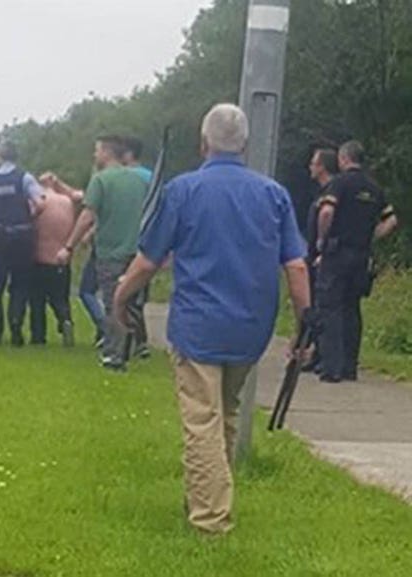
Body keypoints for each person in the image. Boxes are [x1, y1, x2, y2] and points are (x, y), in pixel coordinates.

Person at [113, 103, 310, 534]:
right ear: (244, 145)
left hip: (198, 324)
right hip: (251, 328)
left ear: (204, 143)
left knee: (201, 418)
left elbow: (148, 260)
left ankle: (210, 519)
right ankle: (208, 496)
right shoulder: (273, 194)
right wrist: (302, 326)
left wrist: (120, 296)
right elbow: (295, 266)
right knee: (227, 410)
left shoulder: (183, 191)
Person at [56, 135, 148, 370]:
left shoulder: (101, 181)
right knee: (132, 303)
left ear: (108, 153)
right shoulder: (140, 180)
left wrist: (69, 246)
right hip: (139, 252)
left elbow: (87, 216)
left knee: (113, 302)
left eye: (97, 151)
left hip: (111, 252)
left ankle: (114, 355)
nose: (94, 155)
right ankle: (132, 347)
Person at [315, 140, 397, 382]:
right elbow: (391, 221)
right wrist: (370, 236)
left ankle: (332, 367)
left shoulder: (340, 183)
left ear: (343, 158)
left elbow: (327, 210)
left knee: (331, 306)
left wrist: (322, 239)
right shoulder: (374, 188)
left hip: (337, 252)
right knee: (352, 308)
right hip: (361, 255)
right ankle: (350, 367)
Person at [0, 141, 44, 347]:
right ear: (17, 157)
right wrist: (30, 217)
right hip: (22, 236)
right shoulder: (25, 178)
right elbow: (40, 202)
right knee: (20, 285)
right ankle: (15, 324)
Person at [29, 172, 83, 347]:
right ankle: (65, 319)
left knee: (37, 301)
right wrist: (60, 184)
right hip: (61, 259)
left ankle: (38, 336)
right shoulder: (66, 202)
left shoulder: (40, 201)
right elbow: (78, 196)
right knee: (60, 298)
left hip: (40, 257)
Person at [302, 148, 338, 372]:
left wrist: (321, 246)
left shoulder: (332, 192)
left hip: (322, 256)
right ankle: (316, 351)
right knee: (316, 302)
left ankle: (324, 355)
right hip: (317, 255)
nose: (310, 167)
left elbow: (328, 217)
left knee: (322, 304)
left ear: (323, 166)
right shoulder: (324, 191)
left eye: (314, 163)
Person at [122, 136, 154, 359]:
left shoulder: (125, 178)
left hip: (125, 241)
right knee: (139, 296)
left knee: (123, 293)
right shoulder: (150, 177)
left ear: (127, 154)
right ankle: (139, 340)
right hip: (147, 242)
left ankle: (131, 339)